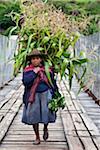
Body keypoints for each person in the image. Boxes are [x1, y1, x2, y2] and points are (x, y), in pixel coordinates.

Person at [22, 49, 58, 145]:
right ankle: (37, 136)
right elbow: (26, 82)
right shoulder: (28, 71)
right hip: (33, 96)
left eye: (37, 58)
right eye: (33, 59)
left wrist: (56, 93)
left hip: (45, 94)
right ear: (30, 60)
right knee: (34, 116)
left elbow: (52, 82)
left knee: (46, 112)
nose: (35, 60)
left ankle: (45, 127)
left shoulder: (47, 69)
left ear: (41, 60)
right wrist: (34, 72)